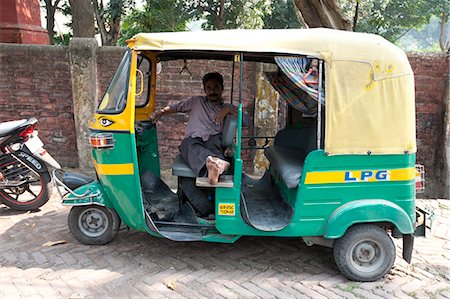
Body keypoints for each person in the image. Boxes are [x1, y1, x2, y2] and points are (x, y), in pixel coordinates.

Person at [151, 72, 238, 185]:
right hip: (194, 138)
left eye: (216, 87)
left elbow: (246, 121)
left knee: (214, 149)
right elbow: (176, 107)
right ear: (205, 90)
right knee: (187, 145)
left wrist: (227, 110)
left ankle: (218, 165)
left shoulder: (227, 107)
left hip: (214, 139)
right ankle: (217, 165)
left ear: (222, 88)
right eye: (209, 88)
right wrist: (160, 113)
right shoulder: (196, 101)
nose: (212, 91)